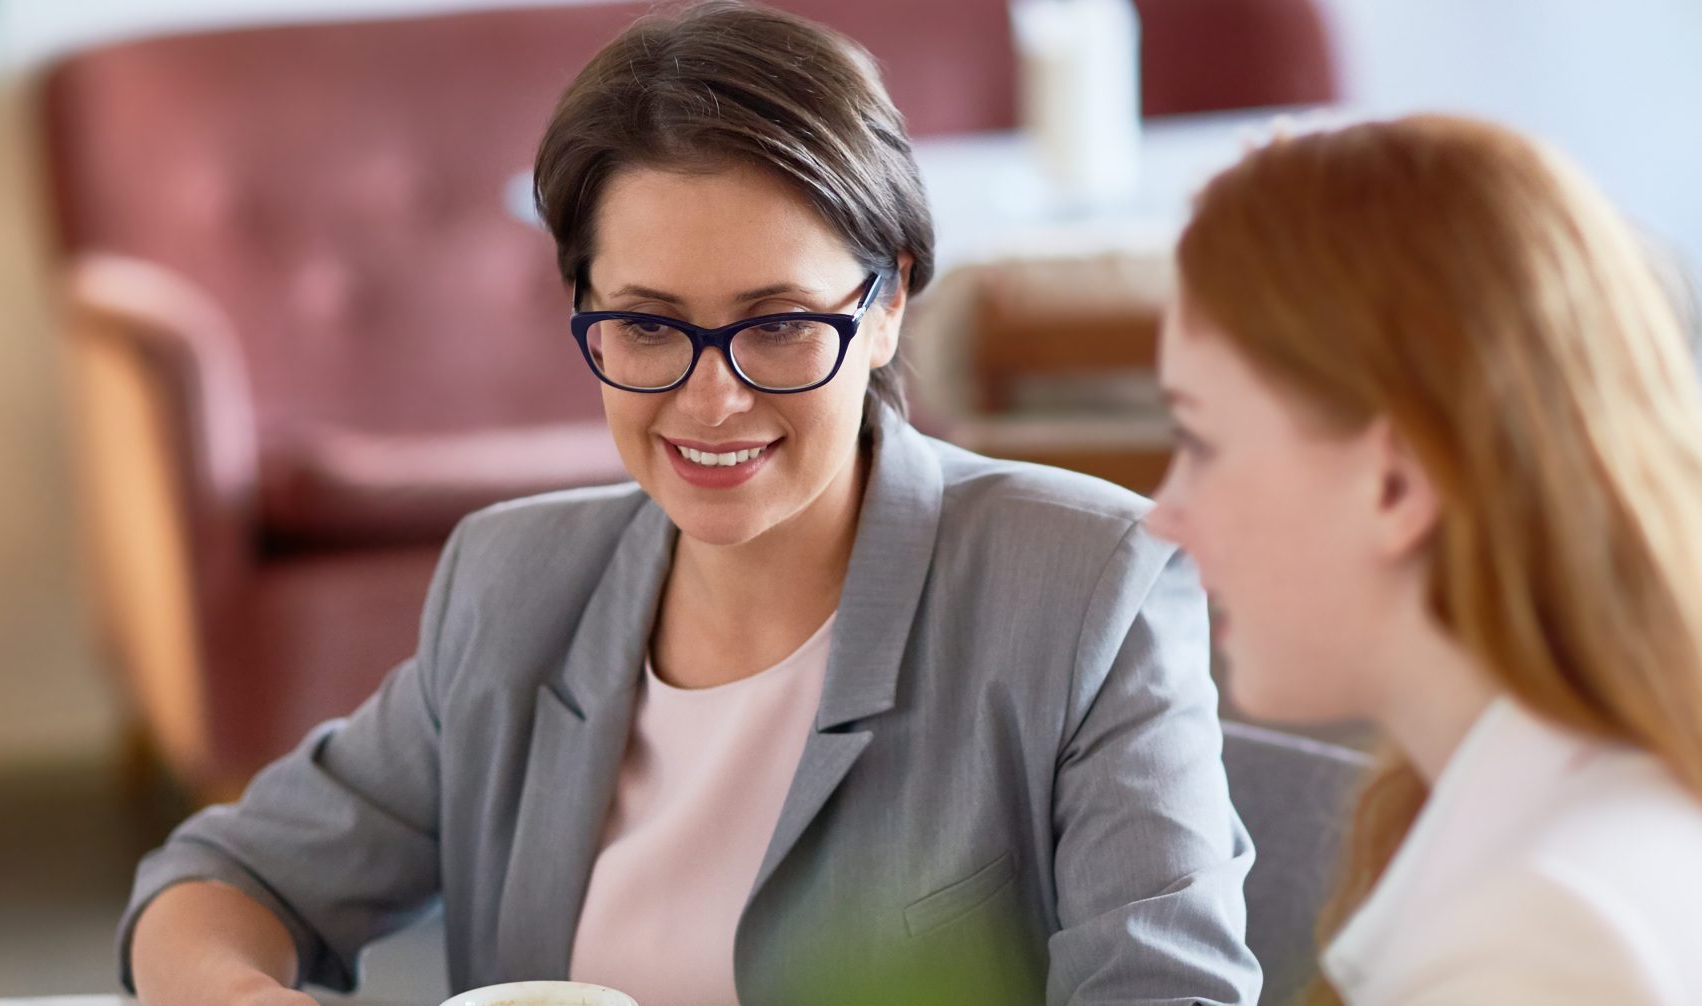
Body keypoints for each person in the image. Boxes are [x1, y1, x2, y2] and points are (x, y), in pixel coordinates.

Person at [118, 5, 1259, 1005]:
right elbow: (215, 881)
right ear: (584, 308)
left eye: (777, 323)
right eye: (648, 325)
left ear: (889, 301)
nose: (711, 399)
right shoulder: (513, 586)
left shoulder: (1086, 590)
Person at [1143, 116, 1702, 1006]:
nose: (1168, 516)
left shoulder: (1542, 946)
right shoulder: (1665, 808)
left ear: (1395, 484)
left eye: (1198, 439)